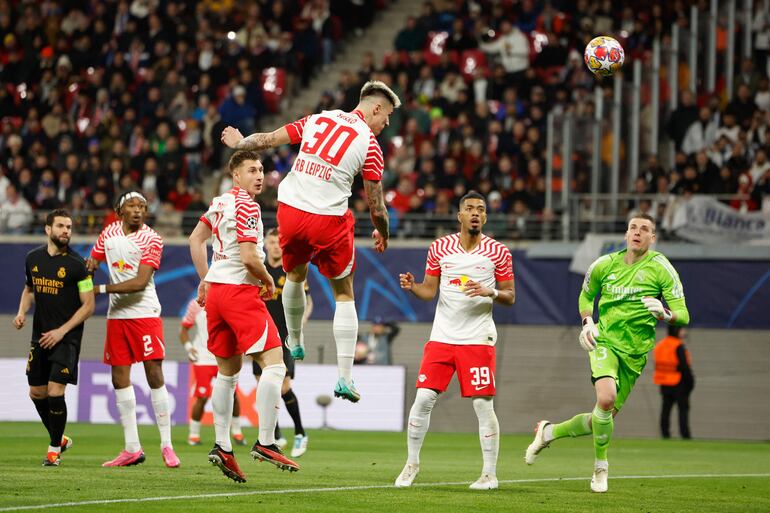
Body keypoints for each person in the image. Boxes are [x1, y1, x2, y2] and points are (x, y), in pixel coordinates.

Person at [221, 80, 399, 403]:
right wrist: (383, 232)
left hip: (290, 211)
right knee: (344, 293)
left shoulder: (319, 119)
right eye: (385, 116)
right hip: (328, 219)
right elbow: (376, 205)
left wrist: (240, 143)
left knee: (294, 275)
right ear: (375, 108)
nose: (386, 124)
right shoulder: (370, 145)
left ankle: (294, 339)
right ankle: (345, 376)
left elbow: (270, 139)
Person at [525, 213, 690, 493]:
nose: (638, 232)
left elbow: (684, 315)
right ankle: (601, 467)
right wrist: (588, 321)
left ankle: (548, 432)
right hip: (605, 342)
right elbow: (587, 295)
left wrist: (665, 314)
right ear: (626, 234)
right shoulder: (604, 264)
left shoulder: (662, 268)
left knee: (600, 418)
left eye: (645, 229)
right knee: (606, 397)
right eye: (633, 228)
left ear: (653, 238)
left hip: (635, 354)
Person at [189, 150, 299, 483]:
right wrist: (267, 280)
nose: (259, 175)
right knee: (276, 364)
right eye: (251, 170)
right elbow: (251, 257)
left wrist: (205, 278)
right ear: (236, 175)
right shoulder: (248, 206)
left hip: (218, 293)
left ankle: (222, 445)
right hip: (239, 290)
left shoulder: (220, 202)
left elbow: (196, 239)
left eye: (262, 169)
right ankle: (266, 441)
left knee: (228, 372)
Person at [394, 191, 515, 491]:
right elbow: (429, 291)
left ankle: (489, 474)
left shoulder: (498, 252)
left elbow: (510, 296)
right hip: (442, 337)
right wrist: (413, 287)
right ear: (459, 215)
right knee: (422, 399)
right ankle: (411, 464)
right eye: (470, 209)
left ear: (485, 217)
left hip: (478, 339)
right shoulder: (439, 248)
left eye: (481, 210)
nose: (476, 213)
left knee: (483, 405)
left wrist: (491, 293)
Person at [87, 191, 180, 468]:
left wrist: (99, 289)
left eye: (142, 206)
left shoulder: (152, 239)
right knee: (119, 378)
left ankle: (167, 445)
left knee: (154, 373)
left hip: (145, 313)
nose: (138, 210)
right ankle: (132, 448)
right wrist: (89, 269)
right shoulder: (108, 233)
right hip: (117, 316)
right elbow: (93, 260)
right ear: (120, 211)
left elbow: (139, 282)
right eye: (132, 206)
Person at [14, 209, 95, 466]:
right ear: (48, 229)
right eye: (61, 226)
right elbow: (29, 290)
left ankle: (53, 450)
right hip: (39, 337)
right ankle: (59, 437)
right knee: (37, 393)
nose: (66, 231)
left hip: (67, 338)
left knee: (54, 391)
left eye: (69, 227)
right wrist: (21, 312)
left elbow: (89, 305)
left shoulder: (78, 265)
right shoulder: (32, 258)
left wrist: (62, 331)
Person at [252, 228, 313, 458]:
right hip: (260, 335)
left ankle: (300, 432)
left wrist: (302, 320)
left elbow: (307, 301)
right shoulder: (257, 269)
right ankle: (274, 435)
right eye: (272, 241)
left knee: (283, 386)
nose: (276, 245)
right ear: (265, 244)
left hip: (284, 337)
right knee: (264, 387)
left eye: (280, 241)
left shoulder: (291, 269)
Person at [179, 299, 246, 447]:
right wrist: (189, 347)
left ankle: (237, 432)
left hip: (225, 354)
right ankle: (194, 434)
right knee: (202, 396)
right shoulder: (196, 304)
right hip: (203, 357)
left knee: (233, 394)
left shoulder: (229, 299)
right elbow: (184, 329)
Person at [653, 325, 694, 439]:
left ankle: (665, 433)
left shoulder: (660, 345)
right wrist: (690, 382)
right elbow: (684, 366)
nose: (684, 332)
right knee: (683, 410)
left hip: (664, 382)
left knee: (666, 409)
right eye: (682, 329)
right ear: (677, 331)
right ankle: (685, 434)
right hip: (678, 382)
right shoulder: (678, 346)